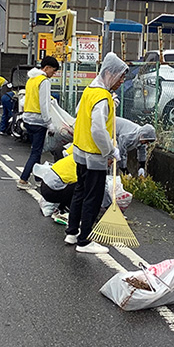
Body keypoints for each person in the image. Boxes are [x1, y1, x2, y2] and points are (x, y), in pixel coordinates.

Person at [64, 52, 128, 254]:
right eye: (120, 77)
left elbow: (79, 112)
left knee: (79, 192)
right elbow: (98, 129)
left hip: (80, 152)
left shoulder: (90, 91)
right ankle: (84, 240)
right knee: (93, 196)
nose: (121, 82)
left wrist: (111, 103)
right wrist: (110, 151)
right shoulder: (102, 97)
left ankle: (72, 232)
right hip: (94, 156)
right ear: (109, 73)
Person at [17, 56, 61, 190]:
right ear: (46, 68)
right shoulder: (44, 81)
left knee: (36, 150)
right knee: (35, 152)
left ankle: (38, 179)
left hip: (28, 119)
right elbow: (44, 104)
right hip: (38, 121)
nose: (53, 74)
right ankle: (23, 179)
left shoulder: (31, 79)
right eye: (53, 71)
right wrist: (49, 123)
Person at [36, 145, 78, 223]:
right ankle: (67, 211)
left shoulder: (77, 156)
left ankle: (62, 208)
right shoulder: (86, 166)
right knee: (82, 187)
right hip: (52, 191)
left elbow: (65, 152)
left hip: (45, 185)